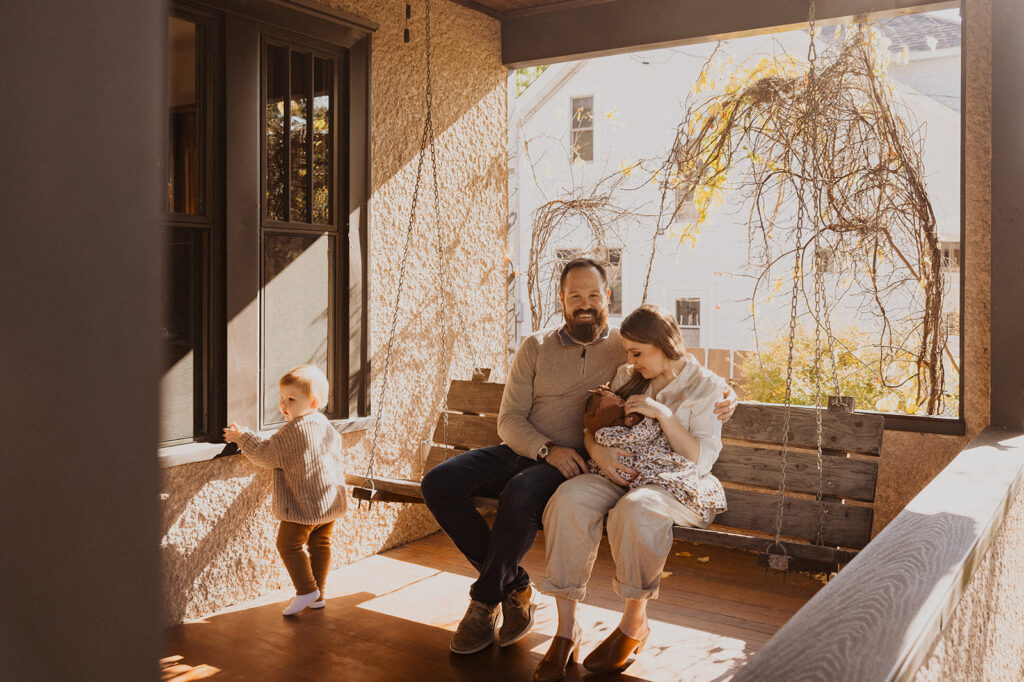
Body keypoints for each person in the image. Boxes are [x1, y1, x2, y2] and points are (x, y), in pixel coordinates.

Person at [421, 259, 736, 656]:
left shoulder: (627, 346)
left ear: (607, 297)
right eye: (575, 296)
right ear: (562, 300)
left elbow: (682, 366)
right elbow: (509, 419)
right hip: (530, 449)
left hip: (575, 463)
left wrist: (728, 395)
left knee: (521, 494)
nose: (584, 304)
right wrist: (545, 449)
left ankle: (484, 601)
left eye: (593, 295)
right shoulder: (535, 347)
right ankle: (515, 587)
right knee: (438, 483)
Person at [533, 304, 731, 681]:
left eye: (638, 352)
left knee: (636, 509)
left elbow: (700, 459)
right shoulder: (626, 375)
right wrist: (598, 453)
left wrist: (664, 414)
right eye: (627, 352)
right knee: (567, 501)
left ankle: (632, 623)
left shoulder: (705, 385)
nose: (630, 360)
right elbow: (595, 425)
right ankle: (565, 630)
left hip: (675, 482)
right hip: (615, 472)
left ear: (665, 345)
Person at [223, 364, 347, 617]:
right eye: (282, 398)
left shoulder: (292, 432)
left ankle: (306, 590)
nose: (284, 404)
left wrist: (242, 437)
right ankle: (318, 594)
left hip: (304, 507)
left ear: (312, 402)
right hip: (329, 502)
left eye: (291, 399)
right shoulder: (324, 424)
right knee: (321, 544)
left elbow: (266, 455)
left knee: (288, 545)